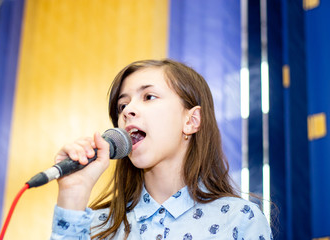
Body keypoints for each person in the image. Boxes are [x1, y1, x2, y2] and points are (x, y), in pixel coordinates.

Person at [50, 59, 272, 239]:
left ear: (191, 121)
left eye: (149, 97)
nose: (128, 111)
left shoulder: (240, 220)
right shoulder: (96, 226)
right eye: (122, 105)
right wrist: (72, 195)